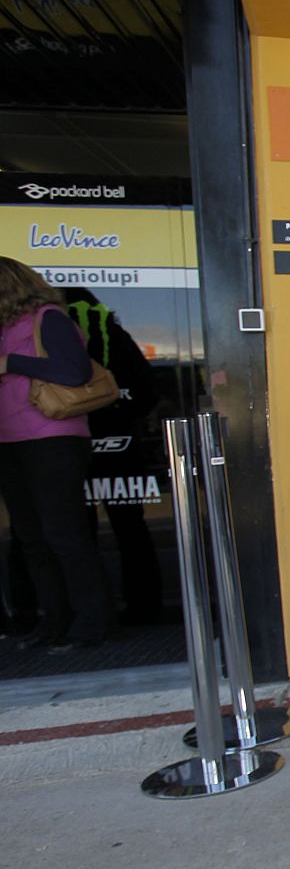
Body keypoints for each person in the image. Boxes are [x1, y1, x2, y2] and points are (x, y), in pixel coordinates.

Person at [0, 259, 112, 650]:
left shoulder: (48, 319)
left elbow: (75, 372)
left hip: (53, 438)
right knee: (30, 538)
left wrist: (11, 362)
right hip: (9, 442)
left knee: (63, 534)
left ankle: (90, 623)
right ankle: (53, 622)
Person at [62, 287, 164, 624]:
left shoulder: (59, 339)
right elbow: (147, 392)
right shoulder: (115, 337)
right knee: (131, 528)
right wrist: (119, 412)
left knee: (76, 532)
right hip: (121, 444)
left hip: (69, 444)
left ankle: (90, 612)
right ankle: (146, 606)